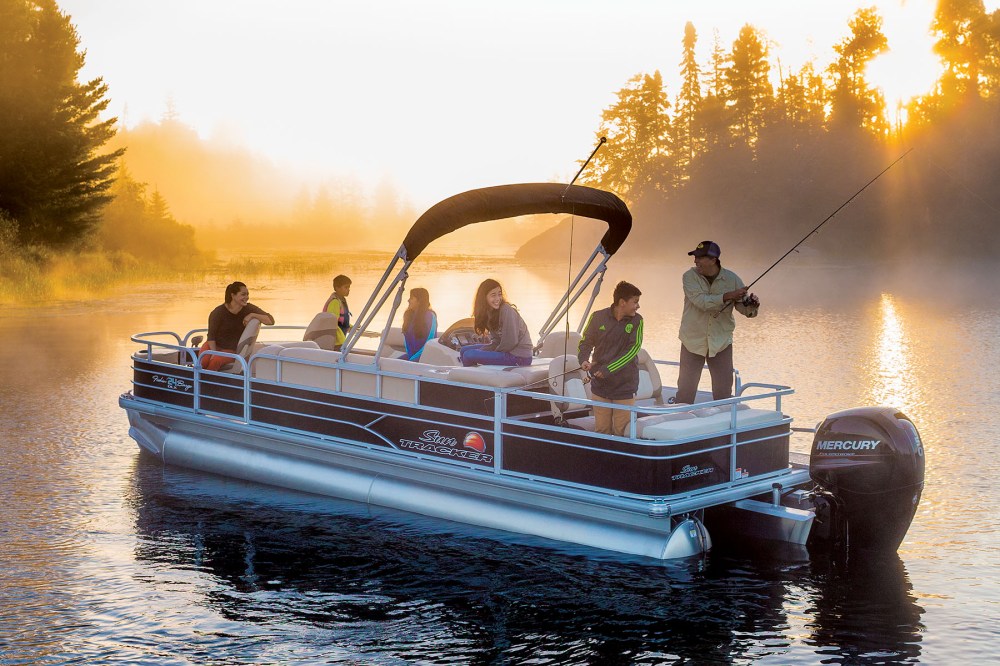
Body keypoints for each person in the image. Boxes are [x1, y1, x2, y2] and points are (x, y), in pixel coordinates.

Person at [676, 240, 759, 404]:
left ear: (713, 260)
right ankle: (680, 424)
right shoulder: (689, 277)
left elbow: (745, 310)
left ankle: (726, 427)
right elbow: (701, 302)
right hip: (692, 341)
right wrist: (728, 295)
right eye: (695, 257)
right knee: (685, 391)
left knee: (723, 394)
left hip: (721, 343)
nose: (695, 261)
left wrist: (752, 305)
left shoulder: (732, 279)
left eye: (700, 257)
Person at [577, 281, 644, 437]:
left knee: (622, 432)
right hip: (600, 386)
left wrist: (608, 369)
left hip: (624, 387)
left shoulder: (637, 321)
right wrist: (584, 360)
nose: (638, 306)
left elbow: (633, 350)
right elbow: (585, 342)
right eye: (635, 302)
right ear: (622, 303)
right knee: (602, 431)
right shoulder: (597, 317)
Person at [200, 281, 275, 371]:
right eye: (243, 294)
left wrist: (252, 315)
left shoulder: (249, 308)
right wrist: (213, 352)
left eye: (247, 294)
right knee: (202, 361)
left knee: (215, 361)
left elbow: (270, 320)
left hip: (232, 349)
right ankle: (195, 380)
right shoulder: (218, 312)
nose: (246, 297)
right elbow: (211, 337)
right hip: (213, 344)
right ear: (233, 295)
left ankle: (206, 382)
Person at [459, 279, 533, 367]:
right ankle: (475, 375)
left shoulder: (506, 310)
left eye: (499, 294)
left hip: (519, 357)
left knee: (469, 355)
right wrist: (484, 350)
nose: (497, 299)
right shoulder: (490, 312)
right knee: (464, 350)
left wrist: (489, 352)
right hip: (507, 351)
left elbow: (511, 342)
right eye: (493, 295)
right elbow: (497, 341)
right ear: (484, 297)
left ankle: (470, 378)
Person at [401, 287, 437, 362]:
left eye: (411, 298)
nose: (408, 300)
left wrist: (413, 360)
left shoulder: (430, 316)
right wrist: (411, 357)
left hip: (426, 356)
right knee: (391, 364)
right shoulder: (409, 315)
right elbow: (407, 341)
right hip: (411, 355)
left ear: (419, 301)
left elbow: (429, 341)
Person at [321, 274, 352, 350]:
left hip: (341, 340)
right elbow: (332, 322)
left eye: (349, 287)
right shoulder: (335, 302)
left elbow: (341, 321)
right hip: (336, 342)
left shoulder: (341, 301)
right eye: (346, 287)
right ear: (337, 288)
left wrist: (351, 326)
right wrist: (341, 339)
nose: (349, 289)